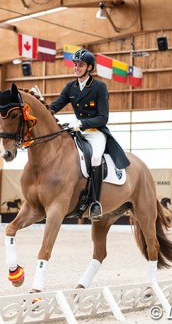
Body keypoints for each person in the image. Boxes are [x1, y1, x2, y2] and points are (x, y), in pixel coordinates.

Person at [49, 49, 130, 220]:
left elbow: (103, 118)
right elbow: (54, 107)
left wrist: (82, 123)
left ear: (89, 67)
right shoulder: (70, 87)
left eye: (80, 65)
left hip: (95, 132)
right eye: (75, 65)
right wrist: (40, 105)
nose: (76, 68)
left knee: (94, 158)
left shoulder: (99, 87)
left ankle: (95, 202)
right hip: (77, 132)